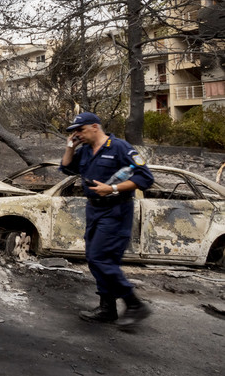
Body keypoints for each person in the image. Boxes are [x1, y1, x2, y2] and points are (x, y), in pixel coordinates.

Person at [59, 112, 154, 328]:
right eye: (74, 132)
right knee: (95, 260)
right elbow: (65, 167)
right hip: (94, 210)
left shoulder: (120, 147)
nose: (77, 134)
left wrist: (112, 188)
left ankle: (134, 304)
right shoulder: (83, 151)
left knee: (100, 258)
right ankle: (107, 308)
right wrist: (70, 147)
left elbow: (145, 177)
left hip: (116, 210)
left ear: (95, 127)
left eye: (80, 130)